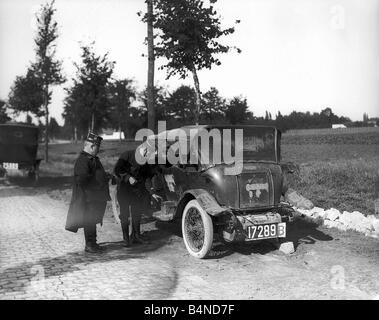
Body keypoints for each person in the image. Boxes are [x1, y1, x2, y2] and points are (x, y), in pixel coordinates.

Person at [65, 132, 111, 253]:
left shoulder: (91, 159)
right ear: (91, 146)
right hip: (88, 197)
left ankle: (93, 243)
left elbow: (95, 174)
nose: (98, 149)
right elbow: (81, 179)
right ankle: (90, 245)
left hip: (93, 197)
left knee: (92, 220)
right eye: (97, 147)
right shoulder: (83, 160)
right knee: (89, 220)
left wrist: (105, 176)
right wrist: (96, 182)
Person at [114, 144, 156, 247]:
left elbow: (148, 174)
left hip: (137, 191)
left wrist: (151, 188)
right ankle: (126, 239)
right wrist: (128, 177)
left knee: (136, 213)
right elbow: (117, 170)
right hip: (124, 189)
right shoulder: (126, 155)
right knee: (124, 214)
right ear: (141, 150)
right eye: (144, 155)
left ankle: (136, 236)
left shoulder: (145, 160)